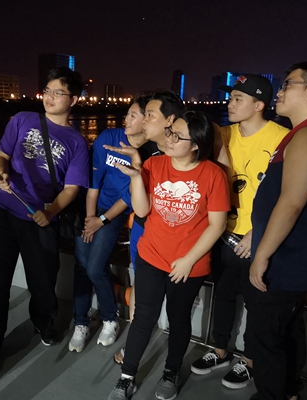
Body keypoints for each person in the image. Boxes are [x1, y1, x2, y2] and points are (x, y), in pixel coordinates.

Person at [107, 99, 229, 400]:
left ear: (196, 145)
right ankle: (127, 377)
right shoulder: (154, 164)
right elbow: (142, 210)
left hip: (188, 264)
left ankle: (171, 371)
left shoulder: (213, 175)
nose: (170, 139)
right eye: (171, 132)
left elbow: (217, 225)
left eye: (178, 136)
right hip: (151, 255)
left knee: (178, 318)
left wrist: (188, 260)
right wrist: (136, 177)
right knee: (143, 316)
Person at [0, 67, 89, 373]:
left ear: (74, 100)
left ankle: (44, 322)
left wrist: (50, 212)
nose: (49, 98)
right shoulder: (22, 119)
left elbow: (71, 189)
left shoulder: (77, 142)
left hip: (40, 219)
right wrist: (1, 173)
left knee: (42, 281)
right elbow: (1, 155)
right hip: (3, 213)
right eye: (47, 91)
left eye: (58, 93)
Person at [247, 61, 307, 400]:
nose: (281, 91)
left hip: (286, 260)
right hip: (289, 257)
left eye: (288, 84)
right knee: (286, 331)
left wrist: (261, 255)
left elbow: (291, 204)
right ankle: (289, 392)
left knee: (265, 338)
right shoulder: (305, 134)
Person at [190, 75, 289, 389]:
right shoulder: (223, 134)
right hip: (224, 232)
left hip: (257, 237)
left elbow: (287, 194)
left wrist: (259, 232)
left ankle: (249, 360)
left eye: (238, 99)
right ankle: (219, 350)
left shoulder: (282, 138)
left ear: (259, 105)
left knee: (256, 302)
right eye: (230, 98)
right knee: (223, 295)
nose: (230, 104)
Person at [109, 93, 184, 365]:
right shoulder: (146, 151)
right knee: (140, 287)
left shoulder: (185, 151)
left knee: (176, 306)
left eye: (149, 115)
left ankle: (171, 363)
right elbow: (139, 201)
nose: (144, 121)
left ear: (170, 120)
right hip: (144, 228)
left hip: (174, 235)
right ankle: (133, 344)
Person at [69, 96, 149, 353]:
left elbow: (129, 197)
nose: (126, 119)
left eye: (133, 115)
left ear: (147, 120)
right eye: (127, 114)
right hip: (90, 208)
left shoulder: (149, 152)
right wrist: (90, 220)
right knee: (82, 266)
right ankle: (80, 322)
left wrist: (102, 220)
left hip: (113, 214)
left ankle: (110, 319)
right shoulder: (109, 137)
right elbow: (94, 183)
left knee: (94, 268)